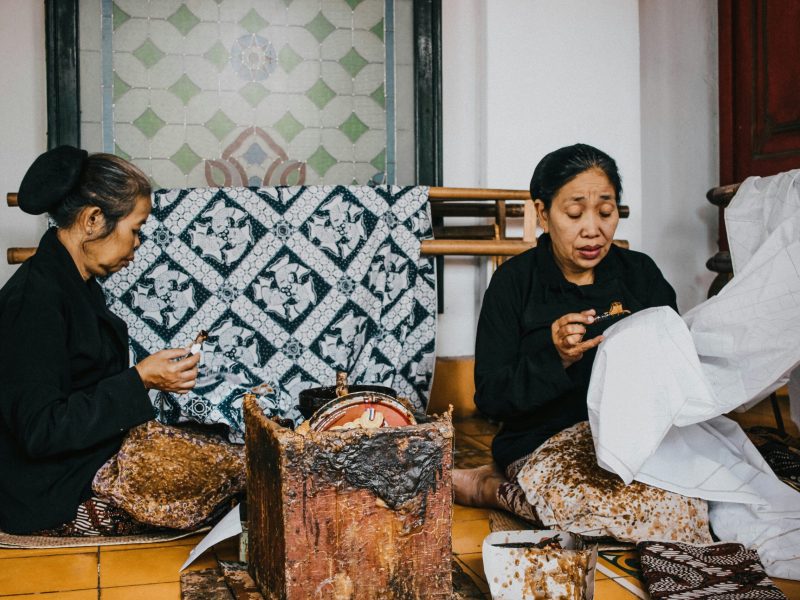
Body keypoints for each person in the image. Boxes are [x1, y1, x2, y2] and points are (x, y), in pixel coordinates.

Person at [452, 143, 677, 513]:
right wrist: (554, 357)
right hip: (541, 442)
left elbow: (674, 365)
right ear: (543, 213)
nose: (593, 229)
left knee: (694, 502)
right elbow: (491, 396)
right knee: (583, 510)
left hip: (629, 438)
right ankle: (485, 487)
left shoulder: (640, 274)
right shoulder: (514, 283)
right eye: (574, 213)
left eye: (606, 212)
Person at [0, 146, 202, 535]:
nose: (138, 244)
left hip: (82, 462)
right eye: (135, 229)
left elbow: (84, 386)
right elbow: (41, 430)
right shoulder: (34, 300)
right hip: (49, 491)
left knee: (229, 458)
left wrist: (144, 380)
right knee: (225, 485)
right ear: (93, 219)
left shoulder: (77, 283)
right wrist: (139, 379)